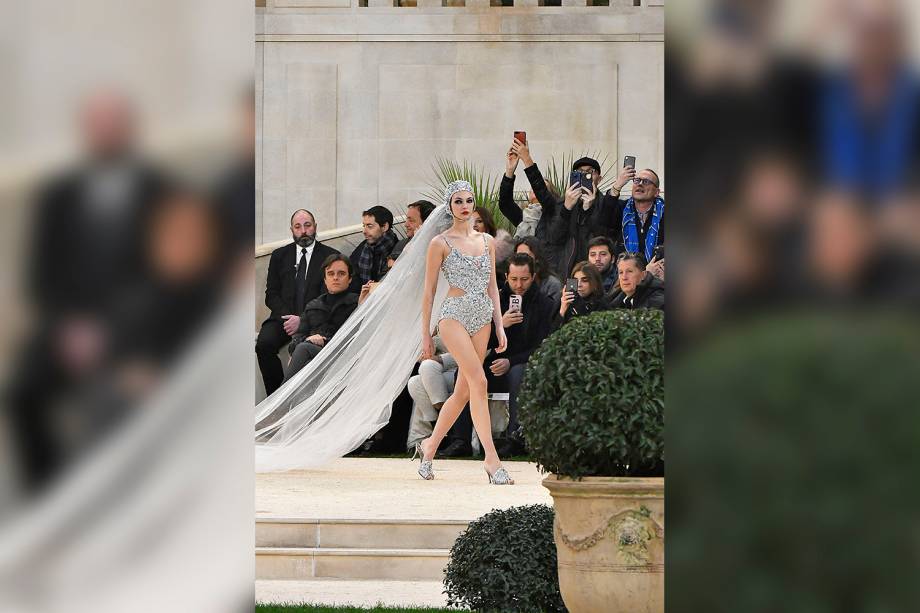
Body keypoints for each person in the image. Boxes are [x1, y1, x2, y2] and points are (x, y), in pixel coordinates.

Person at [415, 180, 513, 485]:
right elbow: (429, 292)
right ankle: (492, 461)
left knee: (464, 391)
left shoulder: (487, 241)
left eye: (469, 200)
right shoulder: (439, 243)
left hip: (482, 315)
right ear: (450, 205)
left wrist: (499, 324)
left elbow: (493, 287)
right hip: (453, 315)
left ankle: (429, 446)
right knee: (479, 380)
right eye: (458, 201)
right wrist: (425, 335)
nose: (465, 205)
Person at [256, 209, 339, 396]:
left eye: (307, 225)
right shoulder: (279, 256)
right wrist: (289, 318)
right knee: (263, 344)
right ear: (292, 230)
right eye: (298, 226)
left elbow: (328, 295)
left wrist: (302, 320)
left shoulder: (330, 256)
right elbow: (272, 294)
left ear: (315, 227)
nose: (303, 231)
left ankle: (302, 401)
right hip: (282, 319)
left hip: (315, 320)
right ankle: (275, 399)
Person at [484, 254, 556, 456]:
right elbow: (483, 341)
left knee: (517, 373)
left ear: (533, 277)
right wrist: (501, 325)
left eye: (524, 279)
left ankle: (515, 436)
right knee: (466, 374)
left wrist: (511, 361)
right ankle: (459, 438)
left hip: (524, 363)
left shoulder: (544, 304)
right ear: (506, 276)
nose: (519, 285)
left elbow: (541, 345)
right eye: (514, 279)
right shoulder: (495, 300)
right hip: (496, 361)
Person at [284, 255, 360, 381]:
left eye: (341, 274)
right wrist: (309, 339)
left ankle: (283, 398)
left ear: (350, 278)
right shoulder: (313, 305)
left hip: (343, 355)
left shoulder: (357, 302)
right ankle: (288, 398)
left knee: (304, 349)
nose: (335, 278)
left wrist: (323, 340)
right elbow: (297, 339)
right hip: (316, 355)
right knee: (305, 357)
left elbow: (355, 337)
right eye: (330, 274)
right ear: (325, 279)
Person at [596, 165, 666, 262]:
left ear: (656, 192)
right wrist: (617, 186)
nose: (640, 184)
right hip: (624, 273)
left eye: (646, 182)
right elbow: (604, 221)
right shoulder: (622, 209)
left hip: (658, 272)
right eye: (637, 180)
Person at [349, 205, 398, 293]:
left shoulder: (397, 249)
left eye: (370, 226)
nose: (364, 231)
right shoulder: (363, 249)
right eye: (364, 226)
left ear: (384, 227)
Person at [513, 236, 562, 305]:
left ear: (537, 259)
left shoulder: (551, 285)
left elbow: (553, 312)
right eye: (518, 256)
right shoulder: (511, 281)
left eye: (526, 256)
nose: (521, 260)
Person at [557, 261, 607, 327]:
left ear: (595, 282)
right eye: (576, 280)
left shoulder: (603, 305)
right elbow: (551, 333)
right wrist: (562, 310)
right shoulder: (564, 301)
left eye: (584, 280)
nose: (579, 285)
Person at [389, 199, 436, 266]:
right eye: (407, 219)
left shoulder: (438, 247)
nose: (406, 224)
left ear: (426, 223)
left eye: (411, 221)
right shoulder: (401, 245)